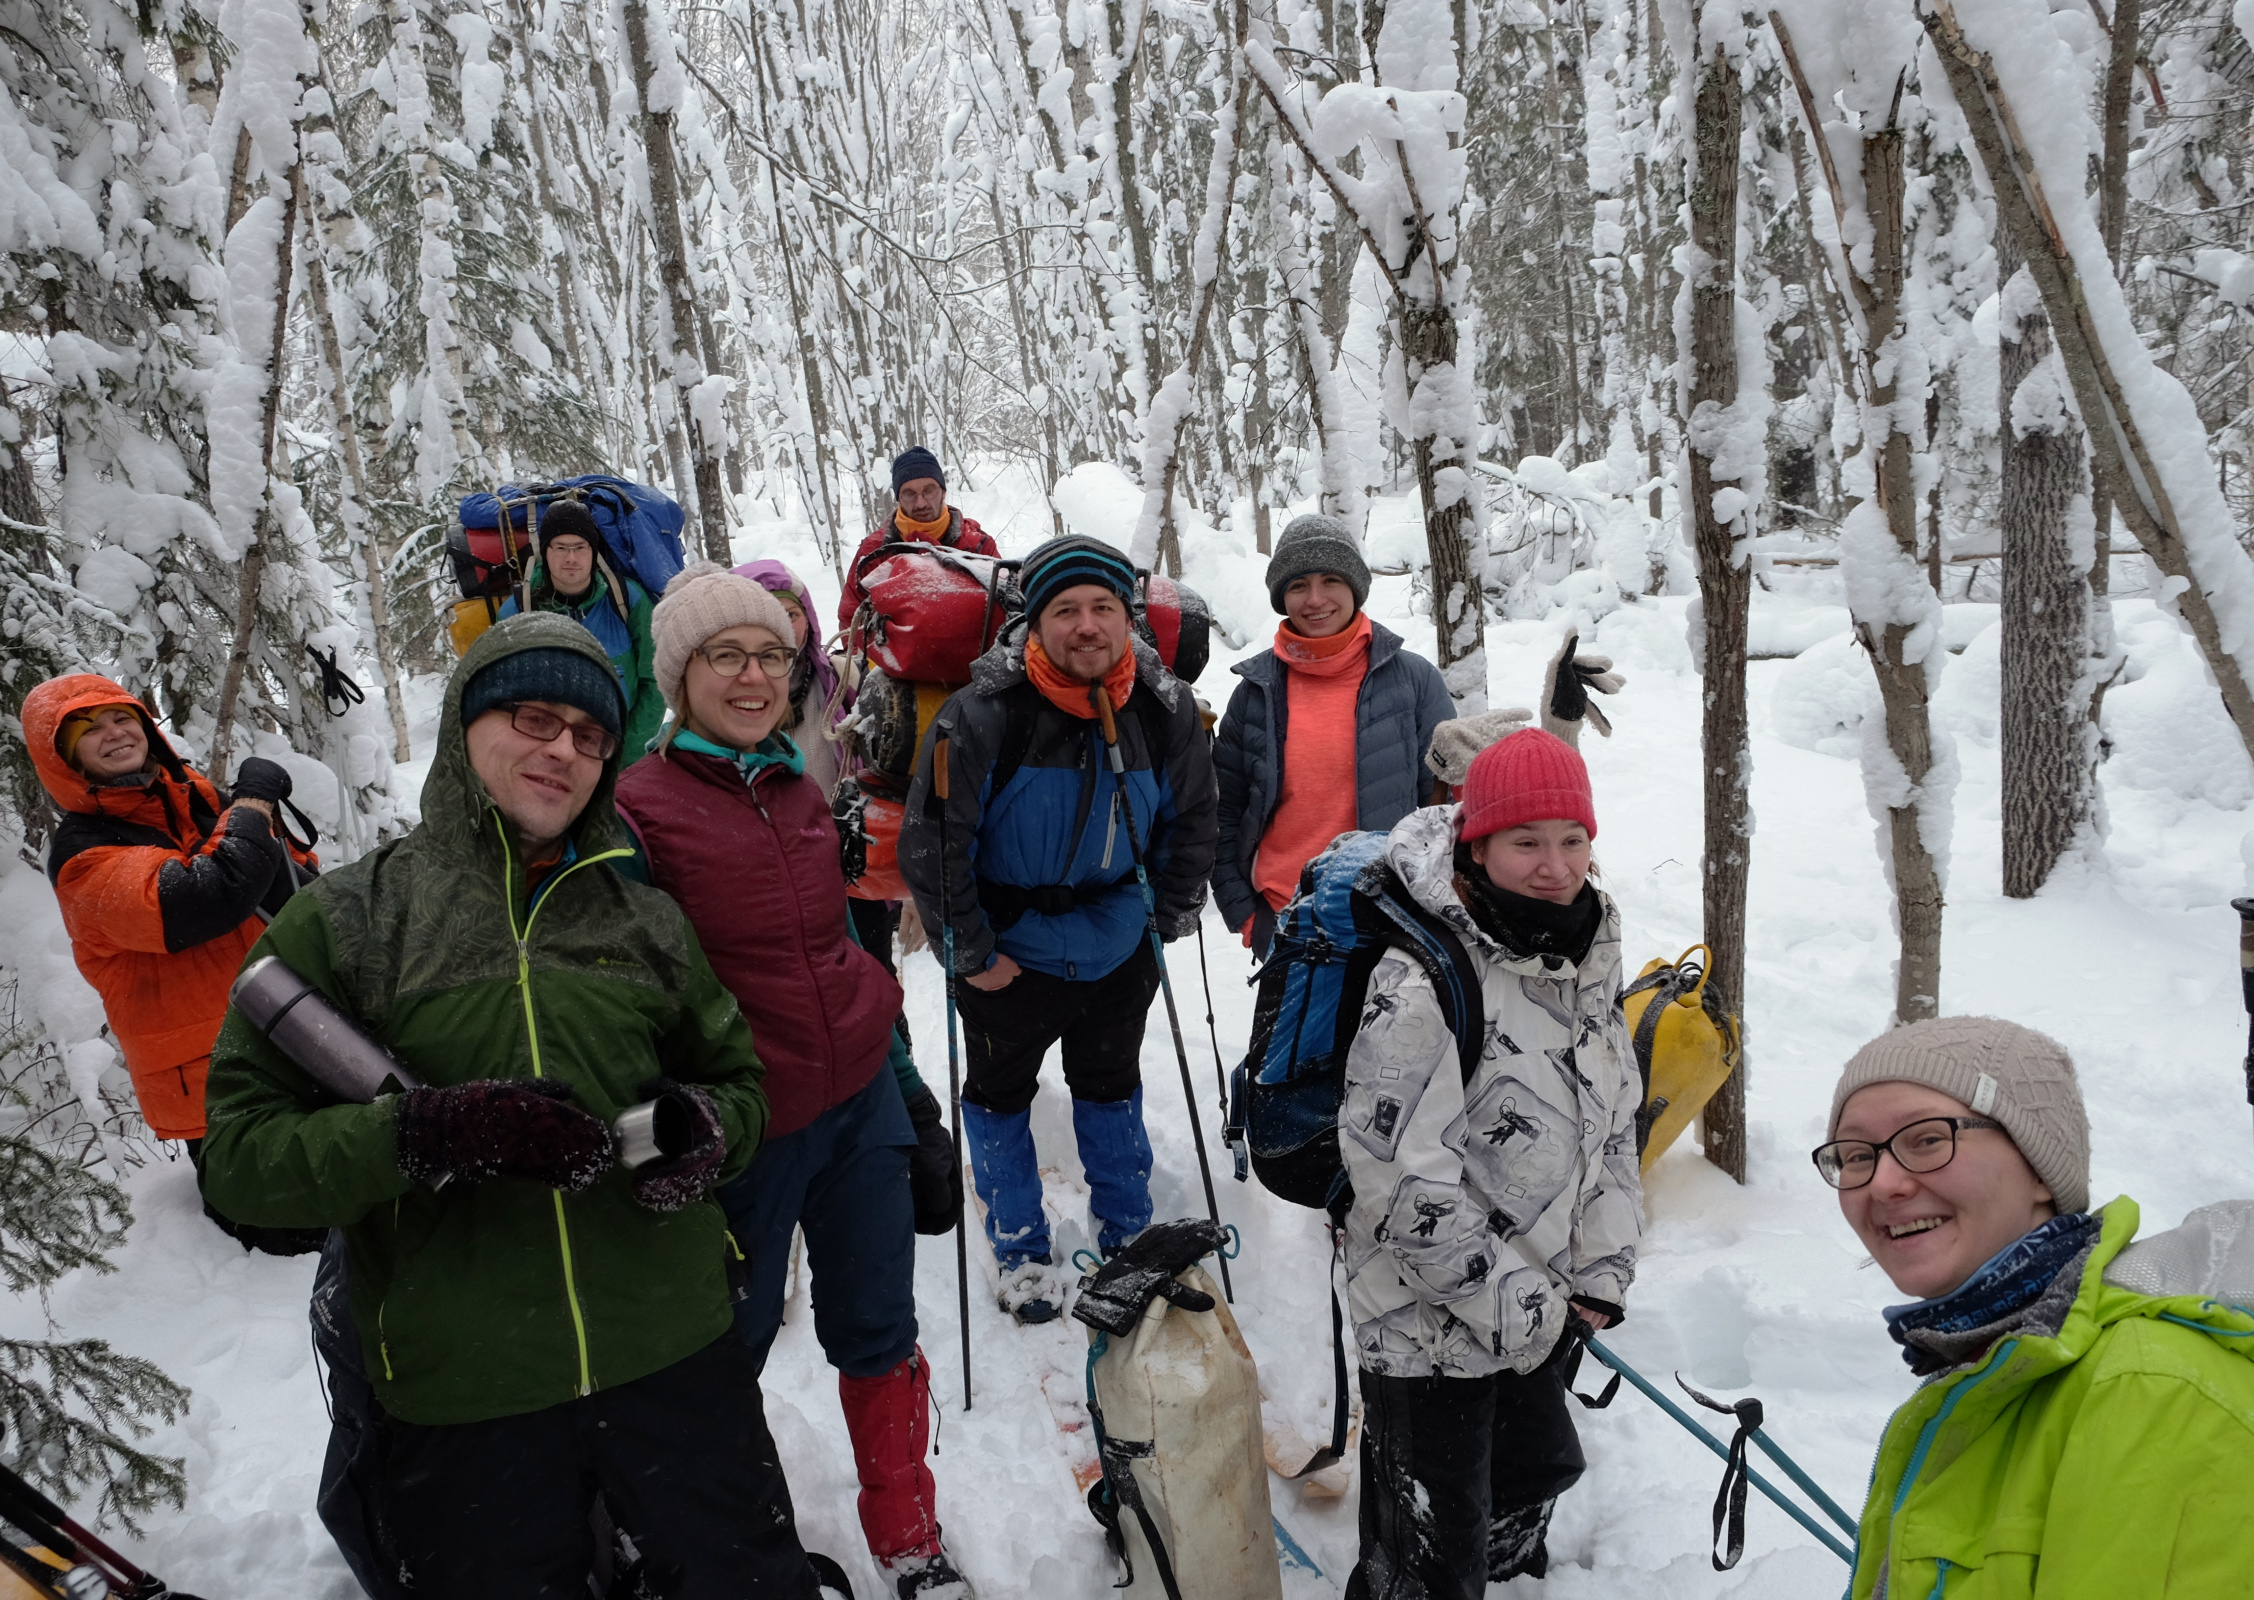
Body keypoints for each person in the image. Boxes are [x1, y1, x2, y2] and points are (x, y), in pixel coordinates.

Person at [197, 614, 841, 1600]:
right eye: (533, 719)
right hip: (464, 1391)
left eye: (588, 736)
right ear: (464, 727)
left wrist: (704, 1132)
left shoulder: (643, 914)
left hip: (672, 1352)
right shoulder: (351, 919)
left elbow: (739, 1085)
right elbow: (240, 1160)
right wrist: (418, 1133)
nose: (562, 751)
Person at [614, 564, 971, 1600]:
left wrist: (907, 1094)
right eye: (726, 655)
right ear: (681, 675)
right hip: (744, 1129)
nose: (755, 674)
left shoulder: (799, 785)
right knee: (724, 1348)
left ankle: (908, 1538)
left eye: (770, 653)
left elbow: (839, 953)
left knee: (879, 1326)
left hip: (858, 1107)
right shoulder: (637, 812)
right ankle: (743, 1548)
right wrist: (651, 1135)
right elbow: (622, 1002)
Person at [1339, 727, 1643, 1596]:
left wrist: (1601, 1271)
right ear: (1478, 844)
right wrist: (1522, 1308)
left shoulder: (1586, 952)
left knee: (1525, 1490)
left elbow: (1615, 1125)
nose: (1556, 866)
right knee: (1428, 1562)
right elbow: (1396, 1177)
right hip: (1423, 1322)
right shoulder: (1424, 974)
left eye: (1572, 839)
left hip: (1544, 1304)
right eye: (1526, 842)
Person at [1819, 1016, 2254, 1598]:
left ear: (2040, 1168)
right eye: (1854, 1155)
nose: (1881, 1184)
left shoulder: (2149, 1391)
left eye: (1926, 1138)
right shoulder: (1981, 1374)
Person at [900, 534, 1217, 1323]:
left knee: (1110, 1086)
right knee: (1000, 1095)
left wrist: (1167, 916)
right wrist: (971, 953)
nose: (1086, 625)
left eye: (1102, 608)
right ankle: (1019, 1247)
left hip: (1119, 944)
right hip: (1011, 952)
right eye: (1065, 610)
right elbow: (935, 844)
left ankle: (1129, 1235)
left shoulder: (1163, 708)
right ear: (1032, 625)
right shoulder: (980, 716)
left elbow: (1195, 820)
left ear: (1127, 617)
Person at [22, 676, 317, 1194]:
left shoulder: (194, 799)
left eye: (122, 718)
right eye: (88, 730)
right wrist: (250, 807)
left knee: (361, 1206)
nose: (113, 733)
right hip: (219, 1081)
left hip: (296, 1031)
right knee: (276, 1230)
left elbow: (292, 878)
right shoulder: (81, 858)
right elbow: (204, 897)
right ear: (64, 759)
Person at [1212, 514, 1453, 956]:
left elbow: (1444, 811)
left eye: (1330, 580)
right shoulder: (1256, 691)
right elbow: (1224, 812)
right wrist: (1247, 915)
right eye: (1298, 584)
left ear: (1355, 587)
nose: (1315, 599)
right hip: (1285, 921)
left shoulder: (1413, 681)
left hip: (1390, 920)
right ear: (1282, 596)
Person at [499, 500, 664, 757]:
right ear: (545, 551)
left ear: (592, 551)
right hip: (552, 757)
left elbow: (655, 680)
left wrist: (627, 751)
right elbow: (503, 698)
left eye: (580, 547)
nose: (571, 558)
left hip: (621, 754)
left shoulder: (625, 599)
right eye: (561, 547)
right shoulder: (517, 611)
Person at [837, 446, 999, 635]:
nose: (920, 503)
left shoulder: (978, 546)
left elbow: (1003, 614)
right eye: (909, 494)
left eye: (929, 491)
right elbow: (851, 620)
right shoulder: (874, 552)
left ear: (943, 492)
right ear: (898, 498)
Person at [736, 557, 850, 802]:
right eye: (766, 615)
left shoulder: (841, 680)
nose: (780, 627)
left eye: (790, 615)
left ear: (808, 621)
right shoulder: (723, 696)